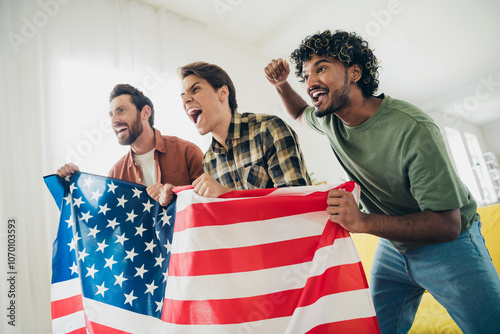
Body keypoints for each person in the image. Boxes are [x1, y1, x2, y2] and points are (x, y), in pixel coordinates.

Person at [264, 29, 500, 333]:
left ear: (354, 72)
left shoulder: (412, 128)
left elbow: (447, 224)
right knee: (373, 328)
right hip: (394, 248)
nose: (310, 83)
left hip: (451, 245)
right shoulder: (330, 120)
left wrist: (362, 221)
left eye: (321, 68)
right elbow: (299, 113)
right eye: (306, 76)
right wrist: (281, 85)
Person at [177, 61, 311, 197]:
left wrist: (228, 194)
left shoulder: (269, 129)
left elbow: (296, 200)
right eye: (182, 96)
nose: (185, 100)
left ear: (223, 93)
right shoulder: (208, 160)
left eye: (195, 90)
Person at [56, 84, 204, 206]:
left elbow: (209, 204)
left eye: (121, 111)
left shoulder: (186, 152)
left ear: (145, 113)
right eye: (111, 115)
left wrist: (176, 195)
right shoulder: (116, 173)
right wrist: (73, 185)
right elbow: (101, 227)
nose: (114, 120)